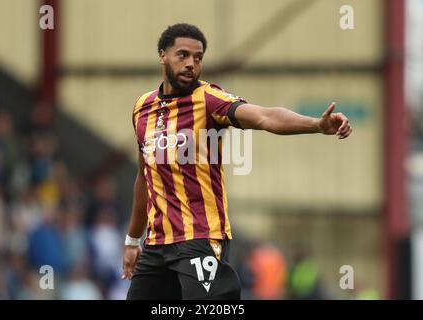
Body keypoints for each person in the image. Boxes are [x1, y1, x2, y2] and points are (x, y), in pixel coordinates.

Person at [122, 23, 352, 300]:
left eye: (198, 58)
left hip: (200, 238)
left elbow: (265, 117)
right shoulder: (142, 108)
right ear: (162, 55)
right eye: (182, 55)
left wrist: (315, 124)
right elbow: (143, 177)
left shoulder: (208, 99)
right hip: (156, 244)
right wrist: (133, 240)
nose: (191, 64)